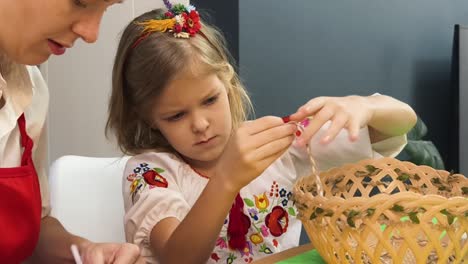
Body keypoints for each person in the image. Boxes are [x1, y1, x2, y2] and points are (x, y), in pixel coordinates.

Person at [106, 3, 417, 263]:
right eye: (176, 115)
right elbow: (178, 258)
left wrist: (364, 106)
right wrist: (226, 179)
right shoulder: (150, 172)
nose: (200, 124)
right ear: (148, 119)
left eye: (210, 100)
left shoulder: (276, 145)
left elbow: (399, 124)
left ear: (228, 85)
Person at [0, 0, 144, 263]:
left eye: (107, 9)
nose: (91, 34)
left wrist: (86, 251)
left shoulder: (30, 91)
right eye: (81, 2)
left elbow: (35, 228)